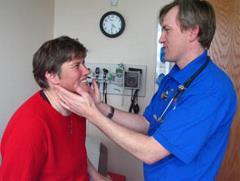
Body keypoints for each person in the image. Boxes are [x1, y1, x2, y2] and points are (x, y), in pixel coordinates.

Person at [54, 0, 237, 180]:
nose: (161, 38)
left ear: (192, 32)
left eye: (167, 29)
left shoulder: (211, 90)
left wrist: (92, 114)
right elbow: (147, 123)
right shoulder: (174, 77)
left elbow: (151, 152)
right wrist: (99, 106)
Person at [0, 36, 110, 181]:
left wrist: (97, 176)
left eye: (84, 63)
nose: (87, 71)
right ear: (52, 76)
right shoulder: (29, 126)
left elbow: (77, 153)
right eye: (77, 66)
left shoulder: (77, 106)